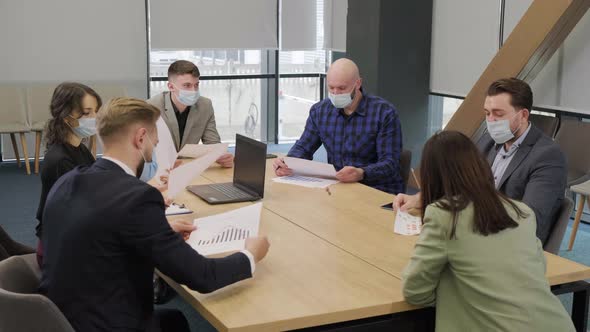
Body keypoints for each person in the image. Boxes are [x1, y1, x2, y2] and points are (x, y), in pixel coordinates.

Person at [39, 97, 270, 332]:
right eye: (155, 141)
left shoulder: (68, 180)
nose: (155, 147)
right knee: (175, 322)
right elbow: (203, 277)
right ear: (140, 138)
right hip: (109, 323)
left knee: (174, 321)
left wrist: (161, 231)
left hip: (61, 318)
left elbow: (100, 228)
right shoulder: (136, 198)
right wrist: (250, 255)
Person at [402, 131, 574, 332]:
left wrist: (455, 296)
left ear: (432, 175)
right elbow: (538, 269)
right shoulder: (522, 211)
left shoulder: (444, 214)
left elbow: (414, 291)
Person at [394, 78, 566, 245]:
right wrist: (422, 197)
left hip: (510, 245)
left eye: (498, 114)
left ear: (523, 115)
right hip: (475, 233)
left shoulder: (548, 156)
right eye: (487, 113)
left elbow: (530, 221)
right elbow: (460, 184)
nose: (490, 121)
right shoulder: (487, 141)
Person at [272, 58, 404, 194]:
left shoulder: (384, 113)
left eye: (342, 88)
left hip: (377, 189)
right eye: (331, 87)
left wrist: (361, 173)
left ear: (358, 84)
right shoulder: (320, 111)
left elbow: (390, 164)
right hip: (340, 186)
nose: (335, 93)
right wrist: (288, 162)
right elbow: (304, 147)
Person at [36, 82, 101, 266]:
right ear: (67, 117)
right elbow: (83, 209)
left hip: (70, 237)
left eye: (96, 111)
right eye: (87, 113)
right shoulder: (61, 160)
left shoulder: (78, 148)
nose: (95, 118)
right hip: (59, 250)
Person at [147, 60, 233, 167]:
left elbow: (213, 143)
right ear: (171, 87)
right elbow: (144, 150)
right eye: (187, 85)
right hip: (158, 169)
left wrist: (221, 156)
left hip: (187, 168)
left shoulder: (205, 105)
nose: (193, 90)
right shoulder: (151, 108)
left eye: (196, 85)